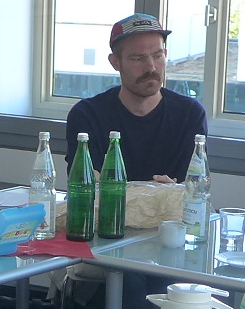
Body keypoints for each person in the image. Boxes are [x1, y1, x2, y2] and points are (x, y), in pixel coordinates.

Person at [64, 13, 208, 182]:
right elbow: (85, 185)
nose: (151, 67)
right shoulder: (87, 115)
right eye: (138, 58)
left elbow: (193, 187)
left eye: (158, 56)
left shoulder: (189, 115)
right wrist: (152, 192)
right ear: (115, 62)